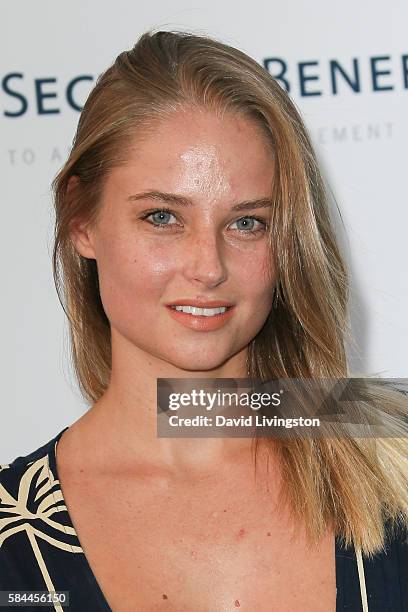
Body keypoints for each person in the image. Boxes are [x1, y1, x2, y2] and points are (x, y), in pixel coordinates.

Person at [1, 29, 407, 612]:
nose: (208, 267)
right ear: (81, 221)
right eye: (162, 216)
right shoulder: (11, 535)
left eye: (247, 223)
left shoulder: (395, 451)